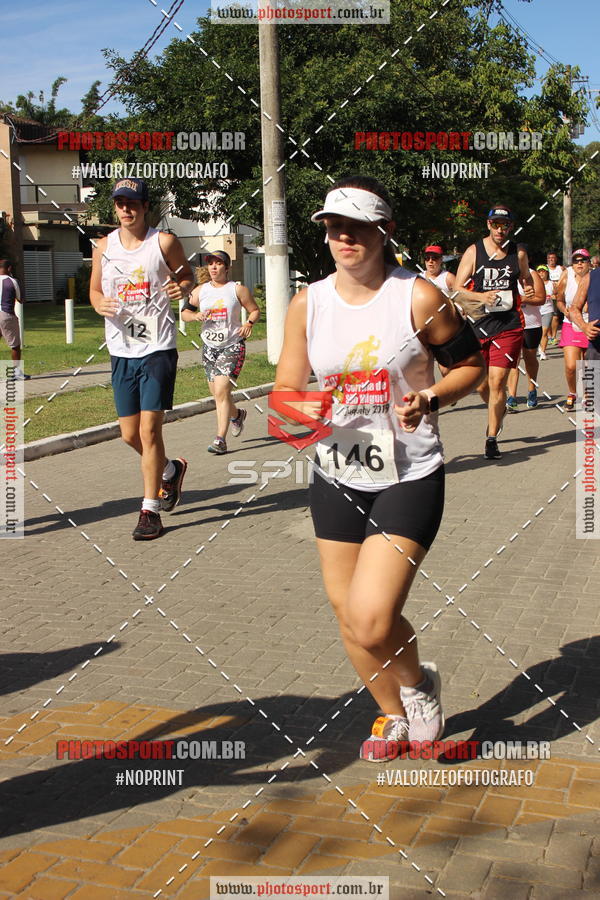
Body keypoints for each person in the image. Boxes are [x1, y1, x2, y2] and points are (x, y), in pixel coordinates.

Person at [273, 175, 484, 761]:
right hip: (337, 472)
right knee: (347, 614)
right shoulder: (306, 303)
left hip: (410, 473)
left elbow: (473, 367)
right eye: (334, 227)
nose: (344, 237)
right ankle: (391, 713)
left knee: (371, 617)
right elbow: (286, 390)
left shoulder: (415, 297)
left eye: (357, 227)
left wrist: (432, 398)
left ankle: (419, 686)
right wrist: (301, 411)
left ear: (384, 231)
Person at [90, 178, 194, 540]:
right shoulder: (103, 246)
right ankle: (170, 469)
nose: (125, 209)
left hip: (157, 347)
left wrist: (182, 288)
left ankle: (150, 511)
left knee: (150, 430)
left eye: (132, 202)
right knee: (128, 434)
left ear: (146, 206)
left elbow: (187, 277)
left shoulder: (163, 242)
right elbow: (94, 290)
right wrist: (97, 303)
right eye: (119, 202)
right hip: (121, 349)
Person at [453, 206, 533, 460]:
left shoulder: (518, 252)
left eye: (505, 225)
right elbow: (456, 289)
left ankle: (491, 438)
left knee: (498, 382)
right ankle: (497, 411)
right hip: (478, 325)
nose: (501, 229)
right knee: (481, 384)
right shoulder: (474, 251)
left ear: (511, 227)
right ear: (488, 224)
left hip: (508, 327)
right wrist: (480, 296)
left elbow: (527, 278)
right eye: (496, 224)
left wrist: (529, 289)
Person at [181, 251, 259, 454]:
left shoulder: (237, 289)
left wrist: (248, 323)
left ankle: (220, 440)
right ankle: (237, 416)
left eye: (218, 264)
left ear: (226, 267)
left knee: (222, 390)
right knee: (217, 393)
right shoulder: (200, 290)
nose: (214, 267)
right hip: (209, 347)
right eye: (211, 264)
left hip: (232, 345)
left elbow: (254, 310)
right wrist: (195, 315)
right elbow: (184, 312)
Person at [556, 249, 591, 410]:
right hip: (570, 324)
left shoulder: (595, 277)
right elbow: (559, 300)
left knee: (587, 365)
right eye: (576, 260)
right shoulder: (567, 276)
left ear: (588, 262)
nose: (579, 263)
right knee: (571, 365)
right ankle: (573, 393)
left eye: (582, 260)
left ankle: (588, 396)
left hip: (590, 324)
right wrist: (565, 311)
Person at [506, 267, 546, 410]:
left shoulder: (532, 274)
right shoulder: (504, 273)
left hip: (531, 324)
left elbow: (541, 298)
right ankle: (512, 397)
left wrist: (523, 299)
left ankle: (532, 390)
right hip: (511, 324)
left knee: (530, 359)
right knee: (513, 361)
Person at [0, 260, 30, 380]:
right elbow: (21, 299)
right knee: (15, 345)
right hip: (6, 315)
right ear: (9, 268)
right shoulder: (12, 281)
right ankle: (17, 372)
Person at [571, 264, 600, 361]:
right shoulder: (589, 277)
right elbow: (574, 308)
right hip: (595, 346)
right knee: (589, 375)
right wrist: (584, 326)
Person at [536, 265, 555, 360]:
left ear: (547, 273)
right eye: (539, 272)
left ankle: (543, 352)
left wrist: (553, 296)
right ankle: (539, 346)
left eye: (543, 271)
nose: (541, 273)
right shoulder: (534, 283)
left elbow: (557, 295)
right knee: (537, 332)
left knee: (544, 332)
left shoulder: (551, 284)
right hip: (536, 310)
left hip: (548, 309)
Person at [546, 251, 564, 346]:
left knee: (556, 317)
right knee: (547, 316)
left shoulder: (560, 268)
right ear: (547, 259)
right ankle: (548, 336)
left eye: (553, 258)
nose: (551, 259)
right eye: (549, 258)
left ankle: (553, 336)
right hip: (547, 296)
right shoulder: (544, 268)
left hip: (558, 295)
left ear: (556, 259)